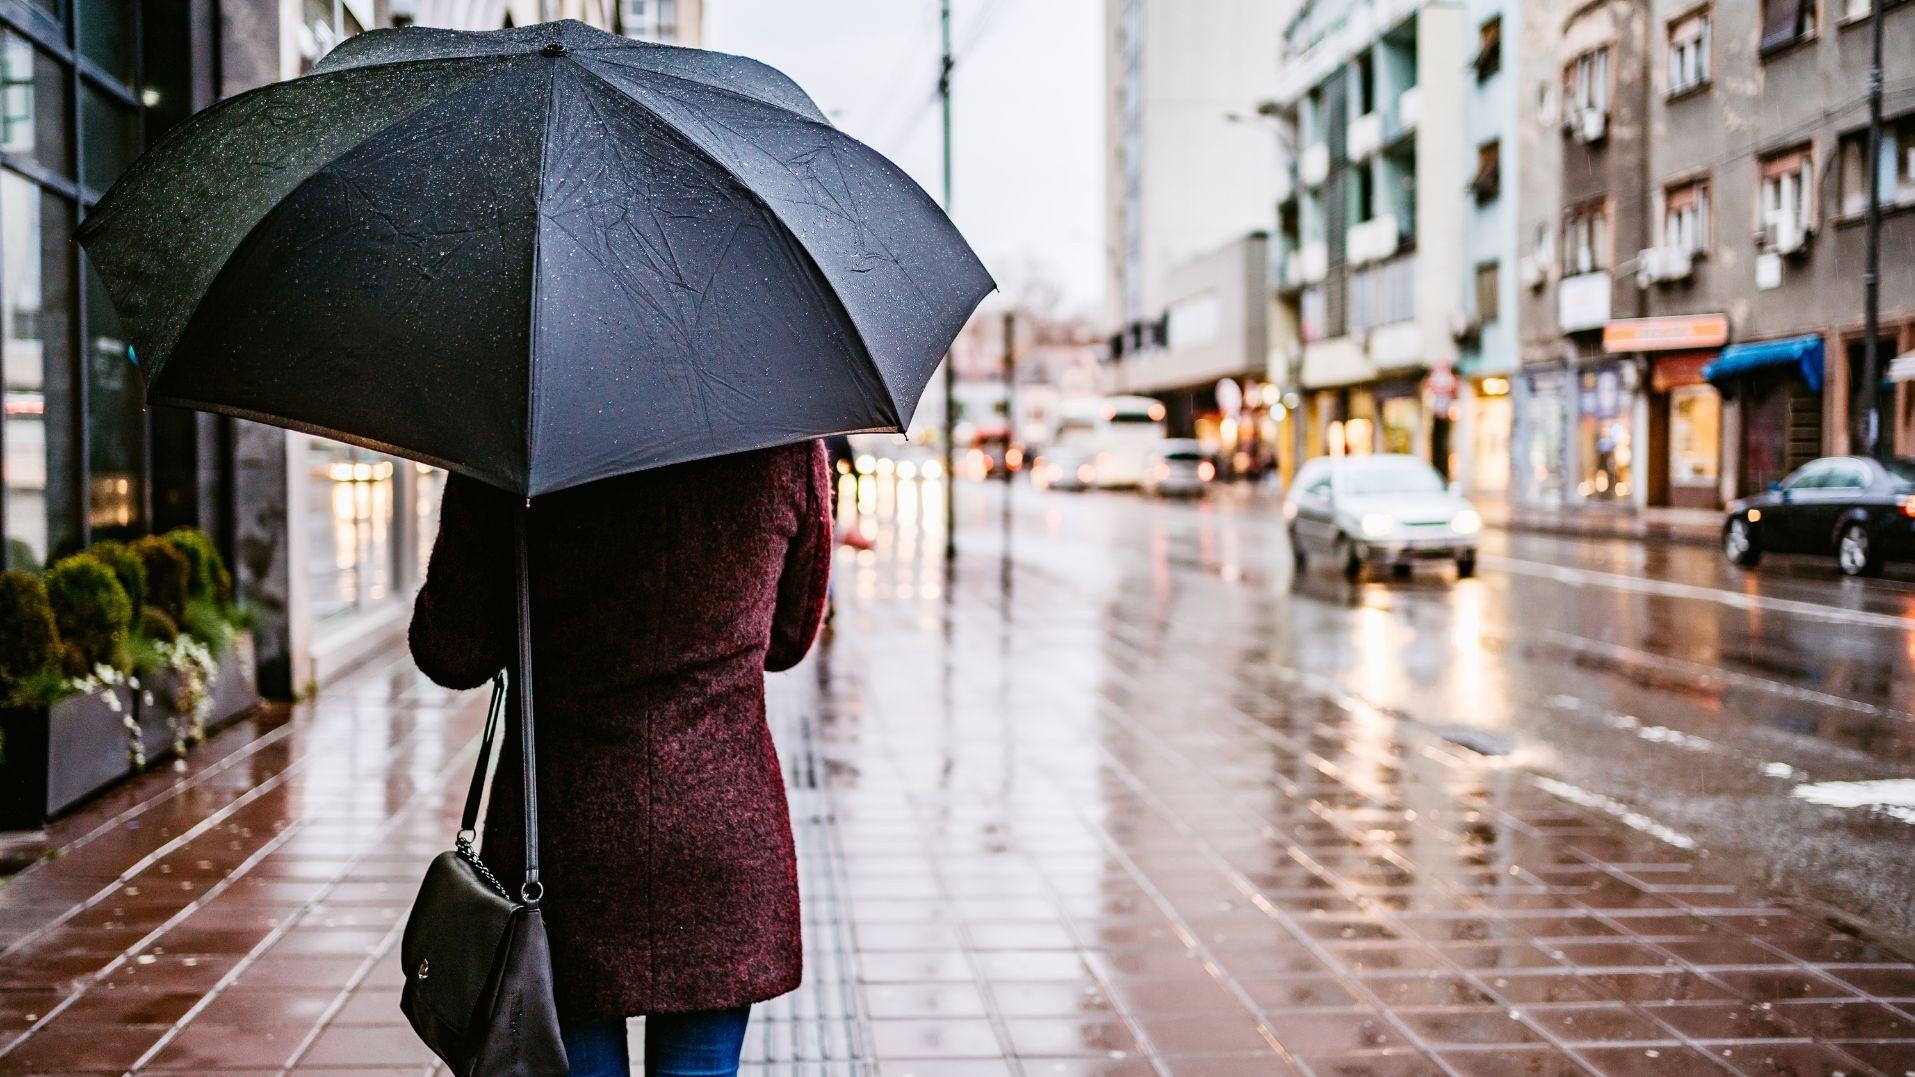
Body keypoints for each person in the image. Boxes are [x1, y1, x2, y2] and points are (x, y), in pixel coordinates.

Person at [408, 442, 832, 1077]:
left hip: (566, 833)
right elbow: (788, 640)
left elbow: (451, 650)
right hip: (720, 828)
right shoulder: (786, 447)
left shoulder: (516, 445)